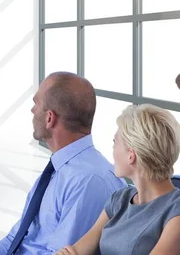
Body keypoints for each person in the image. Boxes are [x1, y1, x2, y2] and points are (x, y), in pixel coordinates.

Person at [0, 72, 127, 254]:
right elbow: (14, 240)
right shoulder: (60, 169)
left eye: (36, 103)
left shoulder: (89, 181)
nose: (32, 111)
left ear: (49, 118)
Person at [56, 104, 180, 255]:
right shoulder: (120, 199)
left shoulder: (175, 212)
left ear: (131, 155)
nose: (112, 151)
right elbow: (78, 249)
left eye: (115, 143)